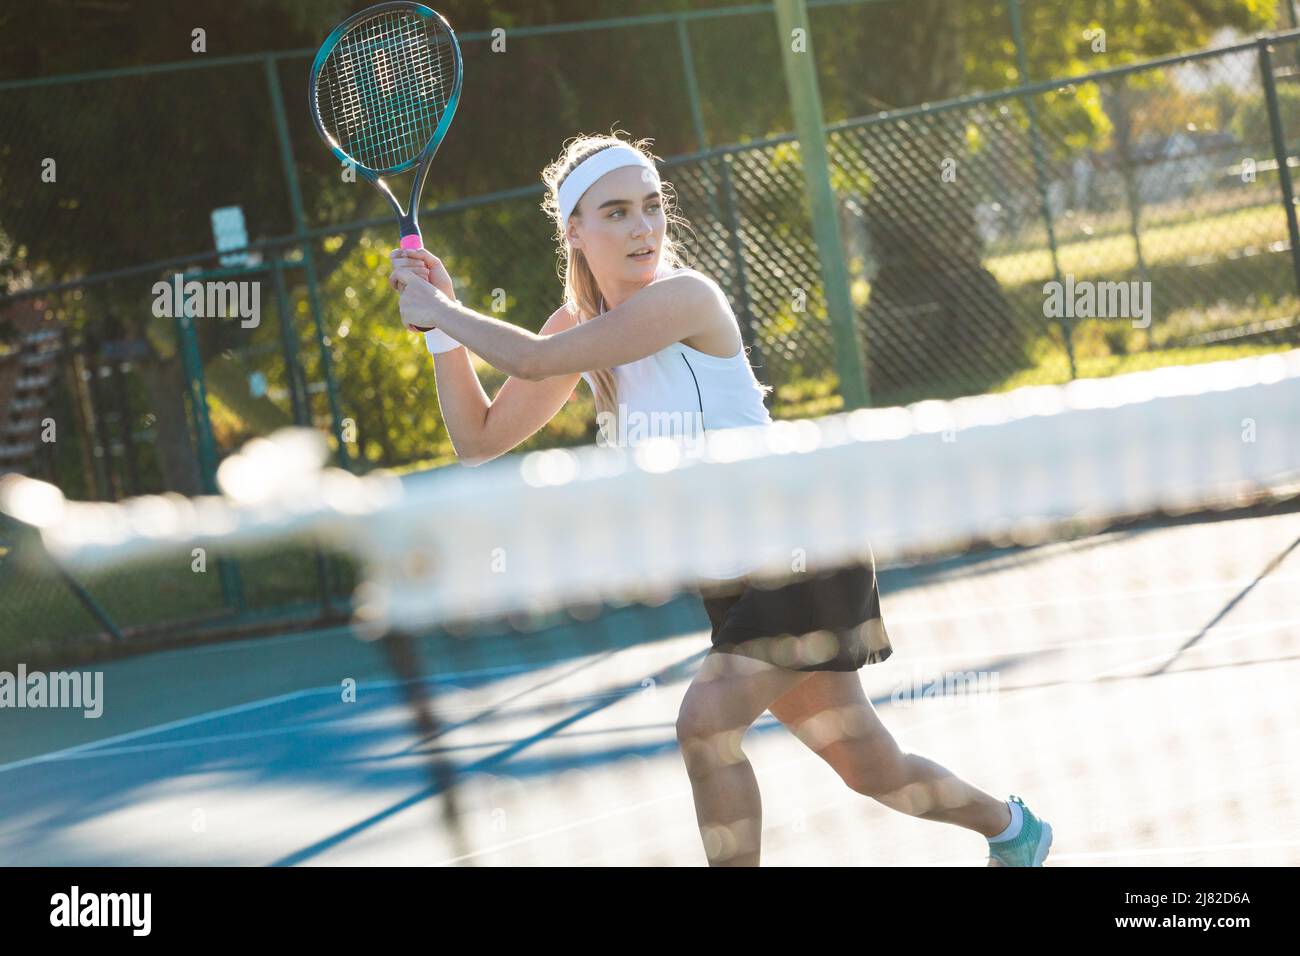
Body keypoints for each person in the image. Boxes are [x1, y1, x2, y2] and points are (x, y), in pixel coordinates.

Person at [387, 131, 1051, 868]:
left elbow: (535, 361)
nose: (642, 228)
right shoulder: (575, 327)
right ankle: (1012, 830)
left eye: (650, 207)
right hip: (731, 572)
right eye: (615, 213)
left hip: (803, 542)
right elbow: (478, 438)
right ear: (574, 229)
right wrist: (438, 330)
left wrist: (444, 308)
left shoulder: (683, 298)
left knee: (704, 727)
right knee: (871, 765)